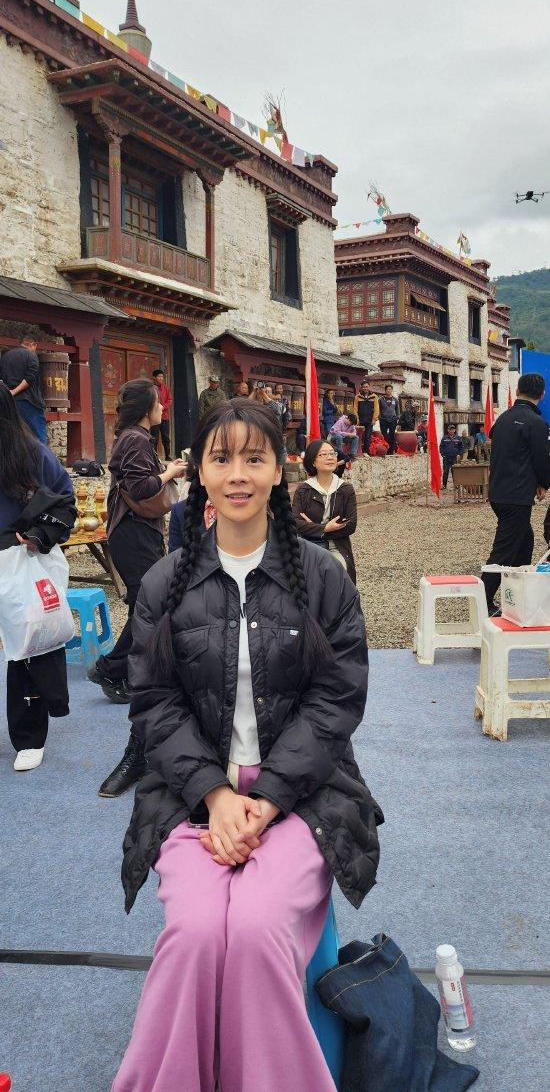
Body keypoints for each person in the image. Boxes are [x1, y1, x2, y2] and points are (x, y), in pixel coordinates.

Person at [114, 399, 380, 1092]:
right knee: (197, 934)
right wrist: (215, 793)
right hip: (189, 796)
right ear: (198, 470)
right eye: (222, 458)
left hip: (306, 793)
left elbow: (337, 699)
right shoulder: (164, 583)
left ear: (277, 469)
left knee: (259, 932)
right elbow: (154, 702)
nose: (238, 474)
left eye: (254, 458)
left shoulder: (322, 576)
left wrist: (267, 797)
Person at [87, 379, 186, 798]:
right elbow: (143, 487)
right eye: (159, 403)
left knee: (146, 605)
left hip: (136, 531)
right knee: (150, 605)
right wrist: (172, 472)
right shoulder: (135, 439)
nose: (164, 408)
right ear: (148, 407)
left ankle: (113, 668)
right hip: (132, 532)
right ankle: (112, 668)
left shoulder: (138, 438)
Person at [0, 383, 76, 770]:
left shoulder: (30, 453)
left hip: (18, 557)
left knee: (30, 644)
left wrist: (37, 535)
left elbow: (65, 501)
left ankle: (29, 736)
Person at [482, 372, 550, 616]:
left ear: (518, 390)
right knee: (505, 550)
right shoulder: (537, 423)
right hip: (516, 495)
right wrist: (544, 483)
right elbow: (542, 458)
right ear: (542, 394)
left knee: (524, 541)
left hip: (499, 492)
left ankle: (519, 595)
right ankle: (483, 599)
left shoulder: (502, 419)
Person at [292, 439, 358, 581]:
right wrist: (325, 528)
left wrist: (313, 528)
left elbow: (351, 525)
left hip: (337, 547)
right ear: (313, 462)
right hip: (309, 546)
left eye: (332, 453)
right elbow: (294, 523)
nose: (330, 457)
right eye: (323, 454)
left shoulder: (345, 489)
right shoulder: (304, 490)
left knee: (338, 574)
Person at [0, 332, 47, 444]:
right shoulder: (31, 356)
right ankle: (42, 455)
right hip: (28, 402)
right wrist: (14, 391)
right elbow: (30, 378)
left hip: (8, 402)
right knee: (39, 436)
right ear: (32, 344)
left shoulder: (5, 357)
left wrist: (8, 394)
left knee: (12, 436)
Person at [150, 369, 172, 460]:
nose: (161, 378)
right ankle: (154, 457)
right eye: (159, 376)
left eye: (162, 377)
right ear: (154, 377)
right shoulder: (150, 388)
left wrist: (163, 407)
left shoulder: (165, 388)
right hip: (154, 416)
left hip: (164, 416)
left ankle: (167, 455)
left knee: (166, 437)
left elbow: (169, 400)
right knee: (154, 437)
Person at [353, 379, 379, 456]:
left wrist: (374, 419)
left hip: (370, 420)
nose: (365, 388)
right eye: (364, 387)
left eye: (366, 386)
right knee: (359, 436)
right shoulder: (357, 397)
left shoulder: (374, 397)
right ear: (361, 387)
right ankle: (357, 451)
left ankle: (366, 452)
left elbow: (376, 409)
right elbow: (355, 409)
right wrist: (356, 419)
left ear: (369, 387)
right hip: (360, 420)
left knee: (368, 436)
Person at [439, 424, 463, 488]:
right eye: (450, 429)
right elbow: (441, 447)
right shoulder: (444, 438)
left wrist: (459, 454)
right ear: (448, 430)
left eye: (453, 429)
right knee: (445, 471)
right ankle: (444, 485)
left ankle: (456, 485)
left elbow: (461, 447)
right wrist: (443, 455)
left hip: (454, 457)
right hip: (446, 457)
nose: (451, 431)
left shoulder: (458, 438)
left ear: (454, 430)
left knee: (454, 472)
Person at [378, 384, 400, 454]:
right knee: (383, 434)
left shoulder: (395, 400)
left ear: (391, 390)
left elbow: (397, 409)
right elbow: (378, 409)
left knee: (392, 435)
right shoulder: (381, 399)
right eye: (387, 389)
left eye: (390, 389)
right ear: (385, 390)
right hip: (383, 419)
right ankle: (385, 449)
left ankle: (391, 451)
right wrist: (379, 417)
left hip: (393, 419)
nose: (388, 390)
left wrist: (397, 417)